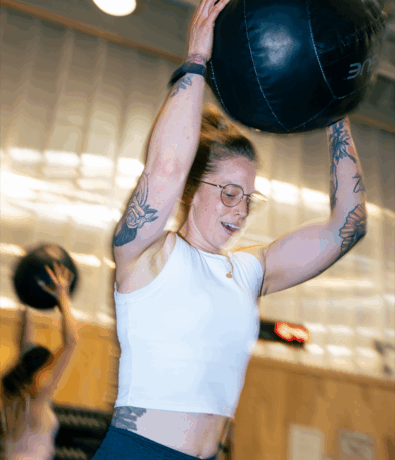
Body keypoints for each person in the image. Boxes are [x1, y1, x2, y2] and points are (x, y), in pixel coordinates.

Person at [92, 0, 368, 456]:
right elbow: (164, 168)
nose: (239, 211)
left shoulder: (248, 271)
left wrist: (332, 107)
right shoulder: (144, 257)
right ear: (191, 189)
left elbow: (348, 225)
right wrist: (196, 60)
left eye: (248, 197)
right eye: (228, 192)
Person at [0, 263, 81, 459]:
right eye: (50, 366)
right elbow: (72, 343)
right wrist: (62, 296)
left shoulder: (12, 401)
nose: (52, 371)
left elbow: (24, 347)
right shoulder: (38, 400)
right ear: (39, 372)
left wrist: (26, 301)